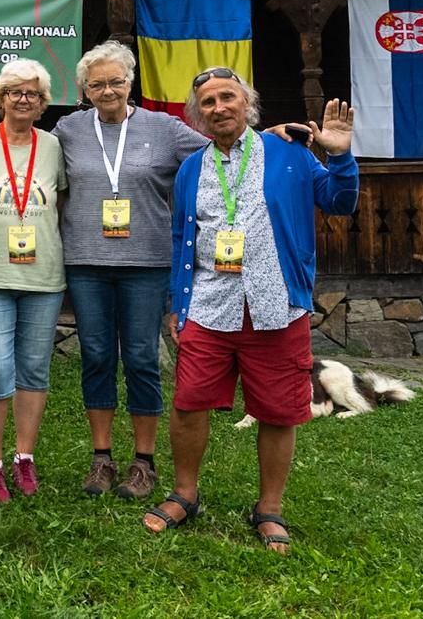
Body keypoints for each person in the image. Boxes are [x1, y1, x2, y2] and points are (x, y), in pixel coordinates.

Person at [142, 68, 358, 555]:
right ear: (198, 116)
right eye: (208, 102)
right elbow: (181, 238)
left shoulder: (290, 154)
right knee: (189, 403)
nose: (219, 107)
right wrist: (179, 303)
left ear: (247, 103)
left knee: (279, 410)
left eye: (227, 97)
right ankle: (185, 494)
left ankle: (269, 508)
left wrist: (340, 153)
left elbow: (340, 202)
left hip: (276, 304)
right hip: (210, 305)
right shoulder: (191, 168)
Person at [50, 40, 208, 501]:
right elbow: (27, 152)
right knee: (96, 354)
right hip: (86, 262)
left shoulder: (165, 129)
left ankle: (144, 461)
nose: (107, 90)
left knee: (140, 356)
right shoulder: (68, 129)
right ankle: (101, 458)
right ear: (84, 89)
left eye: (115, 81)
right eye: (96, 84)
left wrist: (271, 136)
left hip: (146, 262)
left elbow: (220, 150)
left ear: (130, 81)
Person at [0, 58, 67, 504]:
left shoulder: (54, 146)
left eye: (33, 94)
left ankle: (24, 456)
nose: (23, 99)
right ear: (0, 98)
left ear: (43, 104)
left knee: (34, 369)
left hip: (43, 275)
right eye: (14, 92)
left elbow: (62, 196)